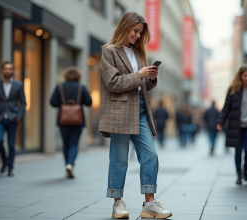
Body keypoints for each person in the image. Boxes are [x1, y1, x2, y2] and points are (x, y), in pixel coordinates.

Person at [99, 12, 172, 219]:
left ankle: (149, 204)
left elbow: (141, 86)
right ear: (125, 27)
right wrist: (138, 75)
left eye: (140, 32)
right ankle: (117, 203)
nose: (138, 36)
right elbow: (112, 83)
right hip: (119, 112)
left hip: (140, 110)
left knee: (150, 155)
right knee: (119, 159)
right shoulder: (109, 51)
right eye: (136, 31)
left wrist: (150, 79)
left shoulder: (139, 53)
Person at [50, 67, 92, 179]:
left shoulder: (59, 87)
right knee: (74, 144)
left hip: (63, 121)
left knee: (66, 144)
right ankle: (70, 164)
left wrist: (63, 104)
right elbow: (89, 102)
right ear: (78, 76)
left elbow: (52, 102)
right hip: (77, 121)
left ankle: (67, 165)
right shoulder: (81, 87)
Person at [0, 61, 26, 177]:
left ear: (13, 71)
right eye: (5, 69)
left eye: (10, 69)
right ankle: (4, 160)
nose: (7, 71)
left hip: (13, 119)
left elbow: (23, 102)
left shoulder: (18, 85)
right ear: (2, 70)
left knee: (11, 144)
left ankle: (10, 167)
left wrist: (19, 115)